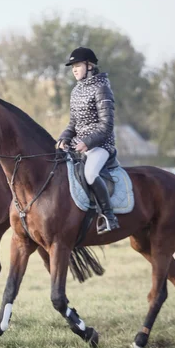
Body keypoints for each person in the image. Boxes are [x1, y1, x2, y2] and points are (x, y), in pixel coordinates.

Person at [57, 47, 120, 234]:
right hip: (78, 144)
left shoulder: (102, 88)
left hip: (100, 146)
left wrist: (88, 142)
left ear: (90, 65)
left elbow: (106, 125)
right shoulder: (76, 91)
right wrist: (63, 138)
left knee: (91, 174)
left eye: (77, 65)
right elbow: (73, 123)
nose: (74, 69)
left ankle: (109, 216)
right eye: (72, 67)